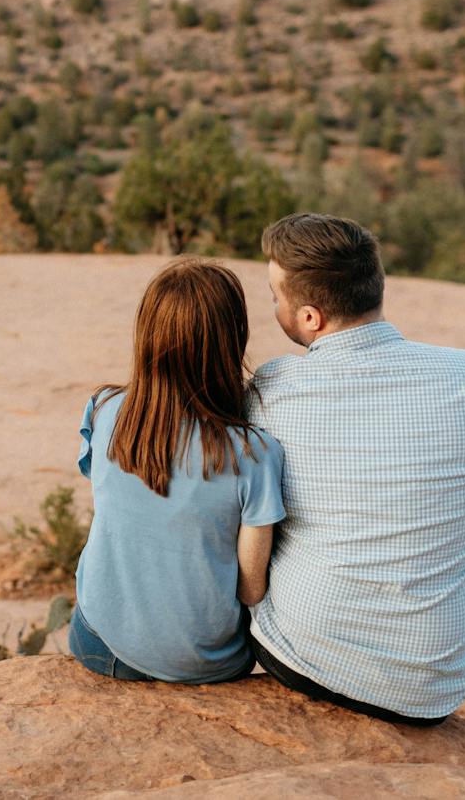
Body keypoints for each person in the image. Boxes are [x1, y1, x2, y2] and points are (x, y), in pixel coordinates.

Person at [247, 212, 465, 725]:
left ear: (309, 318)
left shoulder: (273, 390)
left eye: (275, 296)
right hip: (436, 682)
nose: (273, 307)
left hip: (307, 661)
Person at [69, 256, 286, 684]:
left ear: (146, 337)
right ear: (233, 339)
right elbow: (250, 589)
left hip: (96, 644)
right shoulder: (255, 454)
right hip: (204, 663)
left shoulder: (104, 409)